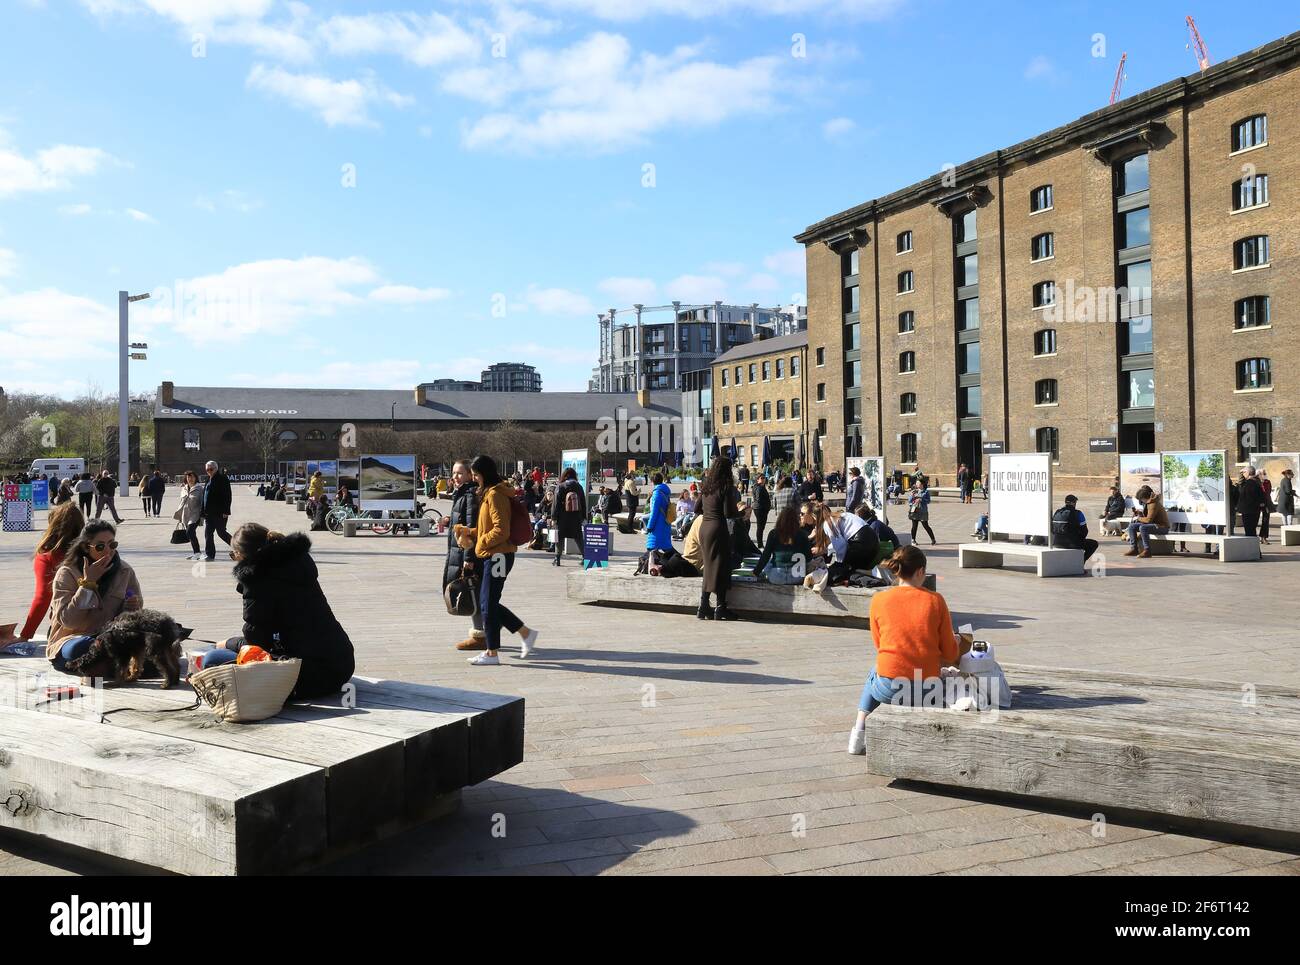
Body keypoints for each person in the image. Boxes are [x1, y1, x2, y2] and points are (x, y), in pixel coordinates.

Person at [848, 546, 969, 754]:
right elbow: (950, 655)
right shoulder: (935, 601)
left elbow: (880, 645)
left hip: (889, 688)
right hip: (927, 689)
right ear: (920, 571)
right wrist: (955, 641)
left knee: (874, 670)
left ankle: (857, 734)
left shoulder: (879, 599)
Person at [229, 524, 355, 698]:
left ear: (244, 555)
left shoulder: (257, 579)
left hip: (308, 675)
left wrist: (230, 643)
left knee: (212, 657)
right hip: (341, 662)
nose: (234, 559)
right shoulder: (297, 561)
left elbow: (256, 641)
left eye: (233, 555)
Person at [454, 454, 539, 665]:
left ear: (484, 474)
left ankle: (492, 652)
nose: (474, 479)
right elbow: (488, 528)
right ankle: (525, 633)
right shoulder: (492, 493)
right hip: (494, 554)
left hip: (498, 555)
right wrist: (470, 531)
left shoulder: (495, 496)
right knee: (488, 602)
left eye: (475, 475)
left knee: (487, 604)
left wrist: (480, 543)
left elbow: (501, 530)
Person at [46, 520, 144, 672]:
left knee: (160, 640)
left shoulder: (125, 571)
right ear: (86, 547)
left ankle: (108, 664)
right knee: (80, 648)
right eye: (100, 546)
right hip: (74, 638)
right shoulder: (67, 573)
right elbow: (69, 621)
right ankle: (114, 664)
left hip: (111, 637)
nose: (107, 551)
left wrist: (130, 608)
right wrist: (88, 584)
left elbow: (133, 617)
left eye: (112, 545)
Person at [14, 502, 86, 643]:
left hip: (65, 626)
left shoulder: (48, 556)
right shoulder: (95, 551)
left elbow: (42, 598)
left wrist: (25, 635)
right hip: (99, 622)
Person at [443, 461, 486, 652]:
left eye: (460, 473)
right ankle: (490, 629)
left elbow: (470, 528)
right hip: (459, 551)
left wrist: (468, 557)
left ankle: (480, 634)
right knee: (475, 593)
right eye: (454, 473)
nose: (455, 477)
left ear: (470, 475)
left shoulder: (470, 495)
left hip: (466, 554)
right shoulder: (461, 494)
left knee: (472, 593)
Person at [695, 456, 744, 621]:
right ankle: (721, 607)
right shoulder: (725, 486)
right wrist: (742, 513)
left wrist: (709, 513)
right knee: (722, 566)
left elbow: (697, 508)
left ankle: (703, 606)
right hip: (718, 528)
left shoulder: (706, 486)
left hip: (704, 528)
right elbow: (728, 513)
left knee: (709, 566)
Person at [752, 506, 813, 584]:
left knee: (769, 561)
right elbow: (808, 557)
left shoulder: (773, 533)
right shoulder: (802, 534)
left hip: (777, 576)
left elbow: (765, 555)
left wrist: (755, 572)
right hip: (797, 577)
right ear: (796, 519)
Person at [824, 507, 881, 586]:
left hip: (860, 543)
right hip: (873, 542)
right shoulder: (841, 515)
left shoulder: (827, 522)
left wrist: (839, 564)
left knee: (839, 573)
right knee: (854, 569)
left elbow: (841, 546)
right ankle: (867, 577)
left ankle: (868, 580)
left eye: (803, 514)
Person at [551, 467, 587, 566]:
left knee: (560, 538)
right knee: (578, 537)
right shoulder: (578, 486)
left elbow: (556, 503)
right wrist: (584, 517)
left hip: (562, 517)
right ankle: (585, 557)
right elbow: (583, 502)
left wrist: (553, 517)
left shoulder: (561, 486)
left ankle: (557, 559)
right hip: (575, 516)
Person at [1051, 494, 1099, 566]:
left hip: (1056, 542)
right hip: (1072, 543)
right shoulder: (1078, 513)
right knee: (1094, 544)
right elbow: (1085, 531)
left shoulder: (1057, 512)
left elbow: (1052, 528)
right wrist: (1080, 539)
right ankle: (1081, 563)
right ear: (1073, 503)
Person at [1125, 484, 1169, 558]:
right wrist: (1140, 514)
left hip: (1162, 527)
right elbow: (1149, 518)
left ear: (1144, 498)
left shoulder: (1153, 504)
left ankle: (1147, 550)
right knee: (1132, 526)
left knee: (1143, 527)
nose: (1140, 501)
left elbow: (1148, 520)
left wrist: (1138, 518)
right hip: (1154, 525)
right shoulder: (1149, 502)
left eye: (1141, 499)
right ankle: (1134, 548)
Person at [201, 460, 233, 561]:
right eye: (207, 469)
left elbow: (227, 496)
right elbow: (205, 496)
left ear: (216, 469)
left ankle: (239, 546)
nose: (209, 471)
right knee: (208, 533)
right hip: (209, 513)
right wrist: (202, 511)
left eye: (211, 469)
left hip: (219, 512)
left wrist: (226, 511)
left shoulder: (222, 479)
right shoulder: (208, 479)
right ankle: (210, 554)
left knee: (221, 533)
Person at [177, 469, 206, 560]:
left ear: (195, 478)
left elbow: (202, 502)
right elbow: (181, 502)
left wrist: (202, 515)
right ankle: (196, 553)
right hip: (186, 515)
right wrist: (179, 515)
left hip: (195, 514)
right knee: (191, 533)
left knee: (190, 532)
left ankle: (197, 553)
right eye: (188, 477)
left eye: (192, 477)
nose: (190, 479)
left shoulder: (199, 488)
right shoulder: (184, 488)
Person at [644, 472, 673, 559]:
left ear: (652, 481)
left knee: (651, 548)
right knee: (666, 547)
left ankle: (650, 566)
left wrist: (649, 526)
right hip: (665, 522)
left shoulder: (656, 493)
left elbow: (654, 512)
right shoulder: (665, 492)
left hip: (657, 525)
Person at [907, 481, 936, 545]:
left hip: (923, 511)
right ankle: (913, 540)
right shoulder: (914, 491)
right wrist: (912, 496)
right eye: (916, 483)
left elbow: (928, 501)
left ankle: (933, 539)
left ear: (922, 484)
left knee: (926, 525)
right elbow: (909, 501)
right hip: (915, 511)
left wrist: (922, 499)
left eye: (918, 483)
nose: (916, 484)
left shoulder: (926, 492)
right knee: (914, 526)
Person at [751, 473, 772, 545]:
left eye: (764, 478)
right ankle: (760, 543)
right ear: (757, 480)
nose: (763, 479)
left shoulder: (759, 486)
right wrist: (766, 504)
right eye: (761, 478)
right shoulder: (759, 487)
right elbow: (758, 498)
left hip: (760, 508)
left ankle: (760, 542)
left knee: (761, 527)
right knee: (760, 526)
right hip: (760, 508)